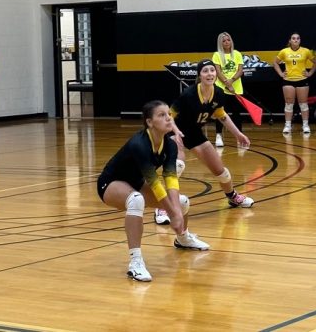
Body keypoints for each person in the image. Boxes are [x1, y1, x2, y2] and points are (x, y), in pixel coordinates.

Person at [97, 100, 210, 282]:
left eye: (169, 114)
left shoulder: (170, 145)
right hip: (111, 183)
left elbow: (171, 178)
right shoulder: (139, 144)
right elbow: (155, 183)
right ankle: (135, 262)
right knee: (136, 200)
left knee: (181, 202)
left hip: (136, 181)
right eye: (161, 115)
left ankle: (183, 238)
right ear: (149, 122)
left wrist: (176, 212)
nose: (168, 118)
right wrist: (172, 213)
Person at [154, 59, 254, 225]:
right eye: (205, 71)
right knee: (177, 165)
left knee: (222, 172)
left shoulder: (218, 93)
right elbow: (168, 116)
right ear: (199, 75)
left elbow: (222, 115)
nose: (210, 74)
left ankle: (233, 197)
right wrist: (174, 134)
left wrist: (238, 135)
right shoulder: (188, 95)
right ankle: (162, 207)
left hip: (194, 133)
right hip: (175, 131)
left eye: (212, 70)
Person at [273, 33, 316, 134]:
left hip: (302, 80)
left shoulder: (306, 51)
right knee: (289, 104)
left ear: (300, 40)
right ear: (290, 40)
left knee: (303, 103)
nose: (296, 40)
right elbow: (275, 62)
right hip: (288, 80)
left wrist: (310, 73)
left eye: (298, 38)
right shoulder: (284, 51)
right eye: (293, 38)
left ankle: (306, 125)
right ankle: (288, 125)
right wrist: (281, 73)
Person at [213, 32, 244, 147]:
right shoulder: (216, 55)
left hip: (236, 88)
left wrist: (232, 81)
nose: (227, 42)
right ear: (220, 43)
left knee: (236, 113)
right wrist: (227, 83)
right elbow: (218, 71)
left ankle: (239, 136)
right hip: (221, 88)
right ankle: (218, 135)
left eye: (228, 40)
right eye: (224, 41)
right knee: (220, 112)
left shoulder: (237, 54)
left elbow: (240, 70)